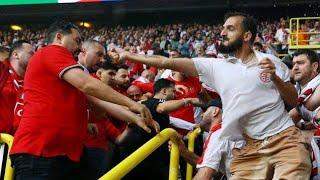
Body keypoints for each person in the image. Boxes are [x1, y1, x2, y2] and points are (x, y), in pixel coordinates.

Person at [109, 12, 311, 179]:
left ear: (247, 36)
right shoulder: (215, 66)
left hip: (284, 139)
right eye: (223, 28)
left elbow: (293, 100)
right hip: (247, 148)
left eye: (230, 28)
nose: (222, 32)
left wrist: (275, 77)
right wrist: (128, 56)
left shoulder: (270, 61)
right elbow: (165, 62)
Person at [10, 21, 157, 180]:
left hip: (61, 153)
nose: (80, 47)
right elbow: (88, 85)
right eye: (77, 40)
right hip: (41, 151)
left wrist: (136, 117)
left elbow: (100, 101)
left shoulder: (66, 72)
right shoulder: (51, 51)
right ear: (59, 38)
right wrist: (133, 104)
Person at [120, 78, 199, 180]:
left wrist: (191, 126)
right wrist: (187, 100)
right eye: (173, 91)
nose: (175, 95)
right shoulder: (154, 103)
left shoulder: (146, 105)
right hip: (147, 159)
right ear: (164, 91)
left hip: (147, 157)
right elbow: (161, 108)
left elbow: (170, 120)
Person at [0, 40, 34, 134]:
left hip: (22, 141)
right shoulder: (2, 71)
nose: (35, 57)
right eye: (31, 53)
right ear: (16, 55)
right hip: (3, 140)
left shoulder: (34, 80)